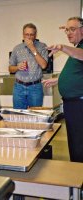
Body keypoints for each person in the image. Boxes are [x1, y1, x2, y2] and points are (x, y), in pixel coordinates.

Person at [42, 16, 83, 162]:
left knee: (79, 143)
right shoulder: (77, 48)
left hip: (79, 104)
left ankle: (79, 175)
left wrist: (62, 47)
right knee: (74, 140)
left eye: (72, 29)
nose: (68, 33)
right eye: (67, 30)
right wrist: (59, 80)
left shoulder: (77, 50)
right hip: (73, 104)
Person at [9, 23, 48, 109]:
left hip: (35, 87)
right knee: (18, 116)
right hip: (19, 87)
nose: (29, 37)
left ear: (35, 35)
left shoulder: (42, 46)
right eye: (27, 34)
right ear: (23, 35)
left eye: (31, 34)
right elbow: (10, 68)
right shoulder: (17, 48)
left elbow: (43, 65)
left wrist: (32, 48)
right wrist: (17, 67)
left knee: (36, 115)